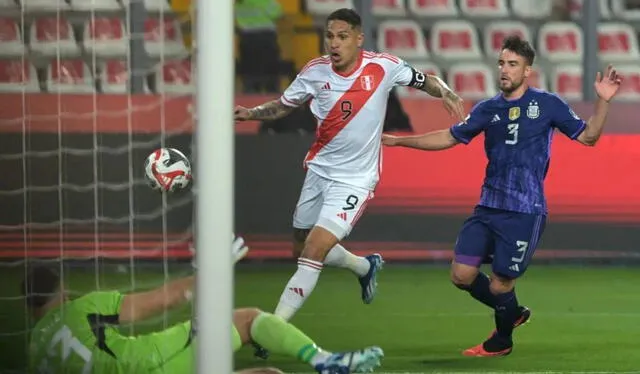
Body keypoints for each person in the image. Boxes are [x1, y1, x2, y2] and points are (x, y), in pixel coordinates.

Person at [381, 35, 622, 357]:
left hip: (524, 210)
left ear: (527, 71)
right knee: (461, 275)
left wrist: (603, 100)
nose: (504, 70)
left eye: (513, 65)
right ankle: (513, 311)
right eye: (501, 64)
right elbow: (449, 137)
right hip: (488, 206)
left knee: (500, 285)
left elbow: (589, 137)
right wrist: (399, 142)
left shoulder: (547, 104)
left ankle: (502, 340)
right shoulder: (487, 108)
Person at [234, 8, 465, 329]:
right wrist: (252, 113)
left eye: (342, 37)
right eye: (330, 36)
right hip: (319, 171)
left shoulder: (383, 67)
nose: (334, 43)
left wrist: (447, 92)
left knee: (313, 251)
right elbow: (283, 105)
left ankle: (272, 329)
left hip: (355, 181)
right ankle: (362, 267)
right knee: (300, 246)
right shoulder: (315, 72)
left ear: (358, 39)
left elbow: (425, 80)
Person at [25, 236, 384, 374]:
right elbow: (161, 301)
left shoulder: (33, 351)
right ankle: (325, 360)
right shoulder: (81, 307)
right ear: (61, 291)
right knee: (247, 320)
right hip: (155, 364)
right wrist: (210, 270)